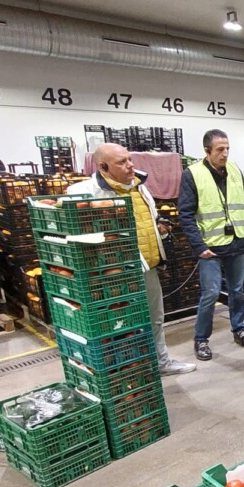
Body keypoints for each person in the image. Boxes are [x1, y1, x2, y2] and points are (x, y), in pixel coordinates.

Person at [68, 144, 196, 375]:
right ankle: (126, 369)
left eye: (129, 159)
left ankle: (160, 362)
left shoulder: (139, 187)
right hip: (114, 273)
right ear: (103, 167)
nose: (130, 166)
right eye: (122, 162)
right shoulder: (85, 192)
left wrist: (159, 228)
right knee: (120, 322)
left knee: (155, 318)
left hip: (147, 266)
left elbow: (149, 218)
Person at [178, 129, 244, 361]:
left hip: (237, 243)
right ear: (207, 151)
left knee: (237, 292)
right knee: (211, 293)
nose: (224, 154)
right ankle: (201, 339)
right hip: (210, 247)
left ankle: (239, 328)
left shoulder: (234, 171)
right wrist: (198, 245)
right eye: (219, 150)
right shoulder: (192, 174)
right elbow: (185, 214)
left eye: (227, 149)